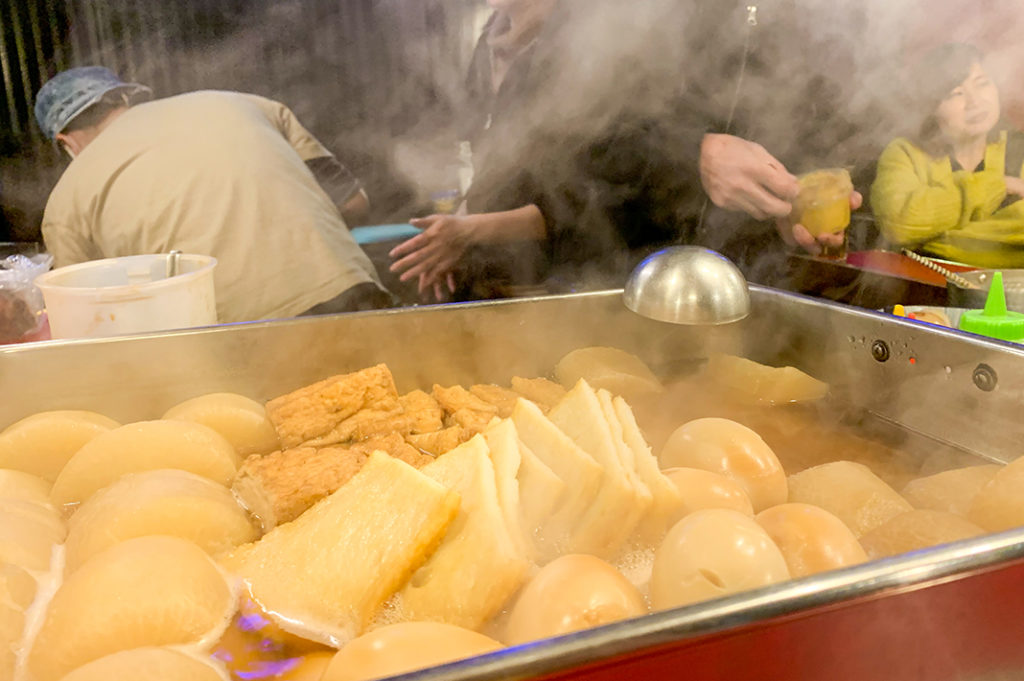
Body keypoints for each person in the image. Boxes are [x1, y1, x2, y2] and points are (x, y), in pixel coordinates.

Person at [389, 0, 693, 301]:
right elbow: (490, 169)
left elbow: (587, 205)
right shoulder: (490, 43)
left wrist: (469, 231)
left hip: (582, 283)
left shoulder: (594, 45)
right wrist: (448, 236)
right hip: (500, 271)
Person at [35, 66, 390, 323]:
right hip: (352, 294)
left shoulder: (65, 202)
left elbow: (84, 318)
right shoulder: (246, 105)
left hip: (230, 335)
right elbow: (353, 203)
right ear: (126, 98)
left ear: (64, 142)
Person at [870, 44, 1024, 268]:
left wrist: (933, 236)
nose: (975, 102)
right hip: (924, 289)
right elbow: (898, 224)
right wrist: (999, 185)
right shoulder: (905, 153)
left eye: (982, 84)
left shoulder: (1019, 148)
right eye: (956, 93)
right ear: (931, 105)